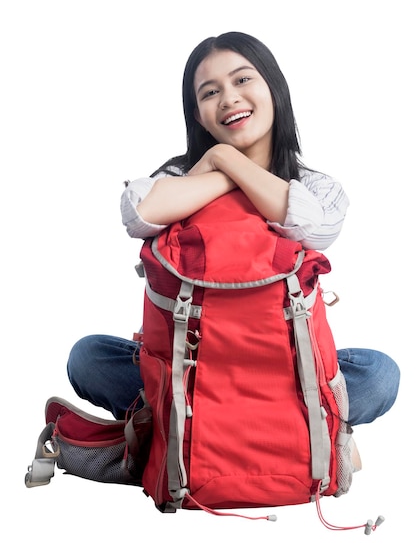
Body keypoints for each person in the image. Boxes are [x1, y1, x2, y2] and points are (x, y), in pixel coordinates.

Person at [67, 31, 400, 428]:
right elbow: (141, 212)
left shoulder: (314, 186)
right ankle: (303, 427)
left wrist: (225, 159)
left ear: (273, 87)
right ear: (198, 115)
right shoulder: (176, 175)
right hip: (186, 367)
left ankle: (176, 428)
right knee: (89, 357)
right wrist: (223, 167)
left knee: (379, 374)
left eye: (243, 80)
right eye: (209, 93)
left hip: (284, 367)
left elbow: (316, 227)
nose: (228, 98)